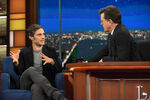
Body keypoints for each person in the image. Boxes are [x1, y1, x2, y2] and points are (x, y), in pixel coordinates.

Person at [10, 24, 66, 100]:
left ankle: (57, 96)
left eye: (43, 34)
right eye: (39, 35)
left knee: (36, 87)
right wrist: (16, 63)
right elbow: (20, 72)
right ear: (31, 37)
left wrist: (52, 61)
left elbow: (59, 69)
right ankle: (55, 94)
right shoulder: (24, 52)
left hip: (42, 84)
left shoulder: (50, 51)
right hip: (26, 82)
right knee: (31, 69)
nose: (43, 37)